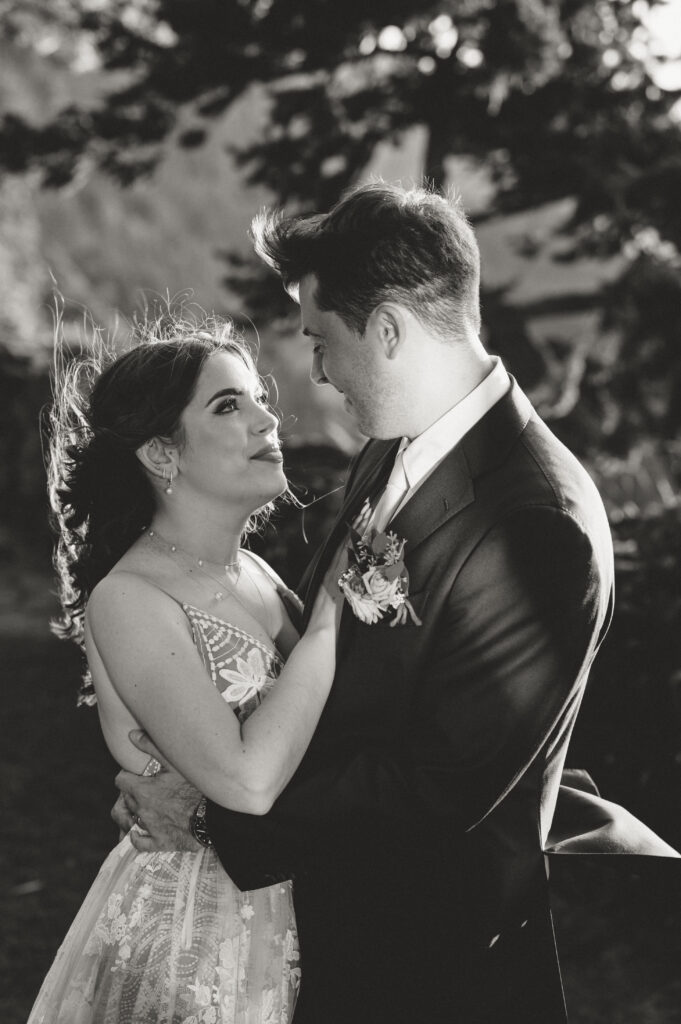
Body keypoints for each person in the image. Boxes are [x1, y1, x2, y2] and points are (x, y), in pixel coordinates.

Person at [113, 184, 674, 1024]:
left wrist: (207, 813)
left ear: (385, 331)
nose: (316, 371)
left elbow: (436, 788)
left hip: (428, 967)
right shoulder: (389, 448)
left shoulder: (535, 523)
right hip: (328, 932)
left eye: (320, 339)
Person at [28, 316, 343, 1024]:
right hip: (202, 938)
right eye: (228, 405)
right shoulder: (130, 597)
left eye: (258, 396)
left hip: (304, 901)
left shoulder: (256, 573)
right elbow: (242, 779)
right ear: (161, 454)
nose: (268, 418)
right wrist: (331, 619)